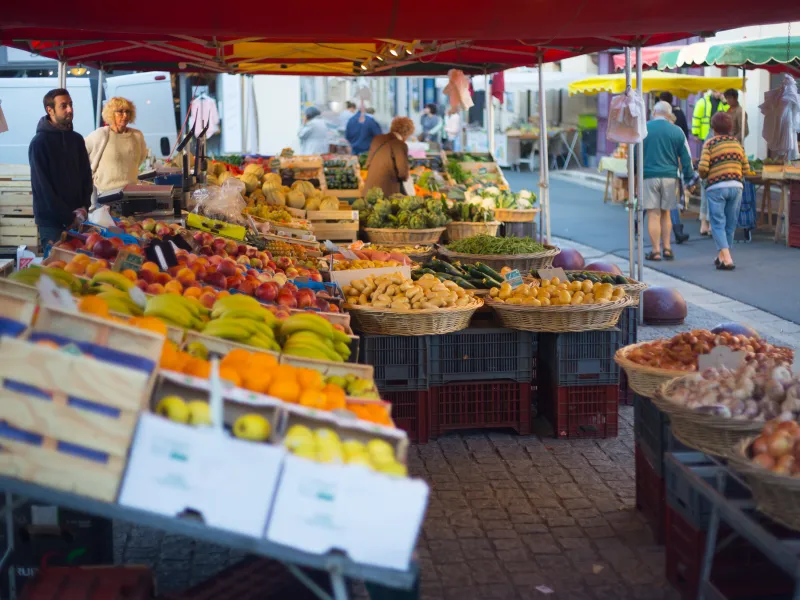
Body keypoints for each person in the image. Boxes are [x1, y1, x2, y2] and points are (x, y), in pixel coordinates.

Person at [28, 88, 92, 250]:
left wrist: (84, 207)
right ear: (50, 110)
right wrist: (68, 217)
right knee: (54, 271)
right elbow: (43, 188)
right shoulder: (39, 143)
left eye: (71, 104)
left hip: (79, 220)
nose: (70, 109)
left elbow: (86, 176)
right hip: (52, 224)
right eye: (63, 106)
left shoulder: (77, 140)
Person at [640, 101, 696, 262]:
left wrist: (635, 176)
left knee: (653, 213)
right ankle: (667, 248)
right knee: (666, 213)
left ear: (654, 112)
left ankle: (656, 251)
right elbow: (686, 157)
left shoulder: (644, 130)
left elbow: (636, 155)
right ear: (669, 114)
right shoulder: (677, 131)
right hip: (670, 177)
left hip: (649, 176)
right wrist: (689, 177)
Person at [698, 112, 750, 270]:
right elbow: (746, 168)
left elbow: (703, 168)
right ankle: (721, 256)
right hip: (736, 187)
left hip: (716, 188)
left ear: (714, 128)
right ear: (730, 128)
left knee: (718, 223)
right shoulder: (737, 144)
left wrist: (704, 175)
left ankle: (727, 259)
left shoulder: (710, 144)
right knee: (730, 223)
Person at [84, 97, 148, 194]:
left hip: (131, 192)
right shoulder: (101, 134)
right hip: (105, 194)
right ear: (111, 114)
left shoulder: (137, 135)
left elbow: (140, 159)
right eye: (120, 112)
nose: (125, 115)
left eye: (128, 111)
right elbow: (80, 154)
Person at [693, 90, 729, 235]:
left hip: (709, 171)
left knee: (707, 194)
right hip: (715, 172)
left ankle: (705, 223)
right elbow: (696, 116)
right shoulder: (703, 101)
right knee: (713, 197)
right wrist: (695, 133)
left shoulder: (721, 104)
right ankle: (707, 223)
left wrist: (724, 101)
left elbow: (727, 111)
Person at [723, 89, 755, 242]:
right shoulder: (727, 110)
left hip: (735, 148)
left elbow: (745, 131)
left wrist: (733, 140)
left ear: (735, 98)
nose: (728, 100)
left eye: (729, 98)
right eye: (726, 98)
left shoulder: (741, 112)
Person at [658, 91, 690, 244]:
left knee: (651, 208)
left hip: (652, 172)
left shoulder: (649, 128)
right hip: (670, 171)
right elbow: (684, 151)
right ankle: (675, 234)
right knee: (669, 204)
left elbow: (639, 153)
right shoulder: (677, 131)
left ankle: (659, 247)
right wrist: (689, 174)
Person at [362, 117, 414, 197]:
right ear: (406, 133)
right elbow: (403, 174)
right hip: (387, 192)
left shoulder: (377, 139)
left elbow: (368, 164)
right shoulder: (400, 145)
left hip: (370, 191)